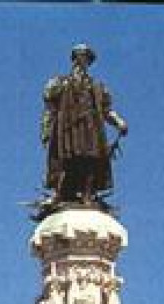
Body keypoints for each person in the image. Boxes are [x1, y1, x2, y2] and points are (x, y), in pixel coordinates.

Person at [41, 44, 128, 210]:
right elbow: (49, 107)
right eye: (79, 57)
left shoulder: (97, 87)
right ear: (73, 60)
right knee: (67, 160)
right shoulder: (60, 83)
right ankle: (60, 194)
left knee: (90, 160)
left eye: (85, 58)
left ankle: (87, 195)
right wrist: (45, 131)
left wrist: (119, 122)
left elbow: (106, 110)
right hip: (67, 127)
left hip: (90, 128)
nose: (81, 61)